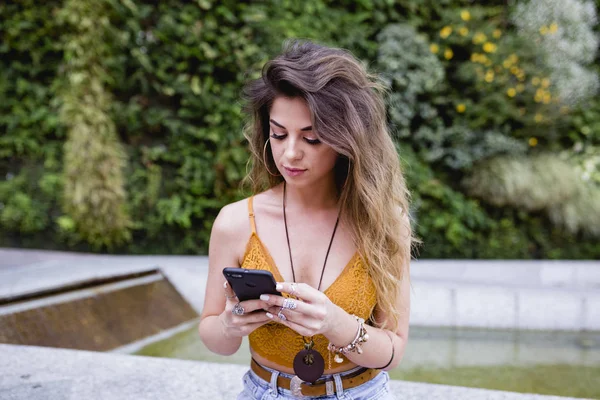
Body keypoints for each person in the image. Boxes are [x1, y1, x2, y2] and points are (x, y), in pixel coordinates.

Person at [199, 39, 413, 400]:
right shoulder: (235, 222)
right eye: (278, 134)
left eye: (312, 138)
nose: (290, 153)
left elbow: (393, 351)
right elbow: (214, 338)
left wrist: (335, 323)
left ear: (347, 140)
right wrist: (230, 323)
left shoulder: (383, 223)